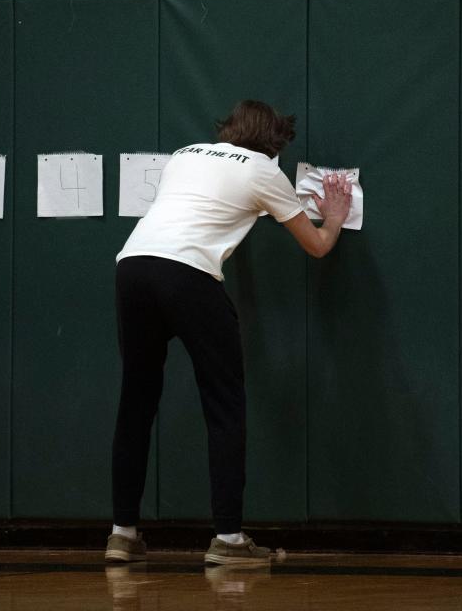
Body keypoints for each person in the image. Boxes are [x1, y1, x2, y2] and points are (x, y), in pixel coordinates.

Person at [105, 100, 352, 566]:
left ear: (228, 129)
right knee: (224, 406)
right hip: (189, 274)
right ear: (274, 143)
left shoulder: (183, 154)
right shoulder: (265, 172)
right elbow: (317, 246)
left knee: (136, 404)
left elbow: (205, 205)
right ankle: (229, 540)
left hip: (132, 266)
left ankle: (122, 534)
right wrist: (334, 215)